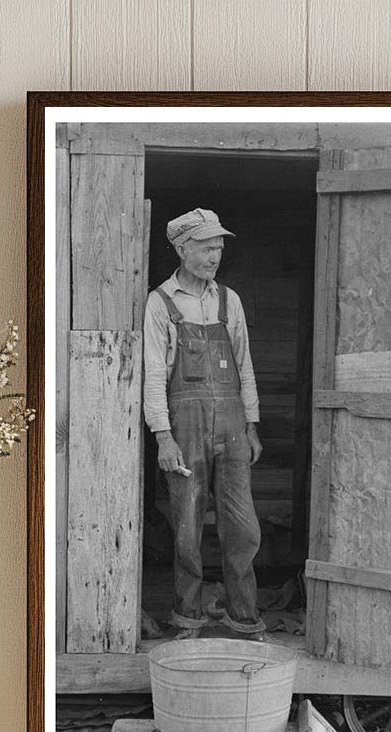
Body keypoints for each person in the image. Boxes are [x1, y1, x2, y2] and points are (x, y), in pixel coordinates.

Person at [143, 208, 268, 642]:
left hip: (232, 425)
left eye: (219, 246)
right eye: (206, 245)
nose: (215, 254)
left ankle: (244, 618)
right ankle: (188, 619)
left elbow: (244, 365)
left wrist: (251, 425)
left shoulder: (227, 300)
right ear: (182, 248)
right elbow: (155, 374)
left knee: (243, 527)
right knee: (186, 528)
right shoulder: (160, 303)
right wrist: (163, 437)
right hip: (186, 425)